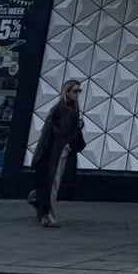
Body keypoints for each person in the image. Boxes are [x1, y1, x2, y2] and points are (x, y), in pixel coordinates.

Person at [27, 79, 87, 227]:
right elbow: (48, 132)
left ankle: (38, 201)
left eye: (79, 91)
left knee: (58, 183)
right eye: (74, 91)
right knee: (53, 183)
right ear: (67, 92)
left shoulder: (73, 108)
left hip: (65, 150)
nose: (77, 94)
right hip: (56, 151)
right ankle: (48, 215)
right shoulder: (59, 109)